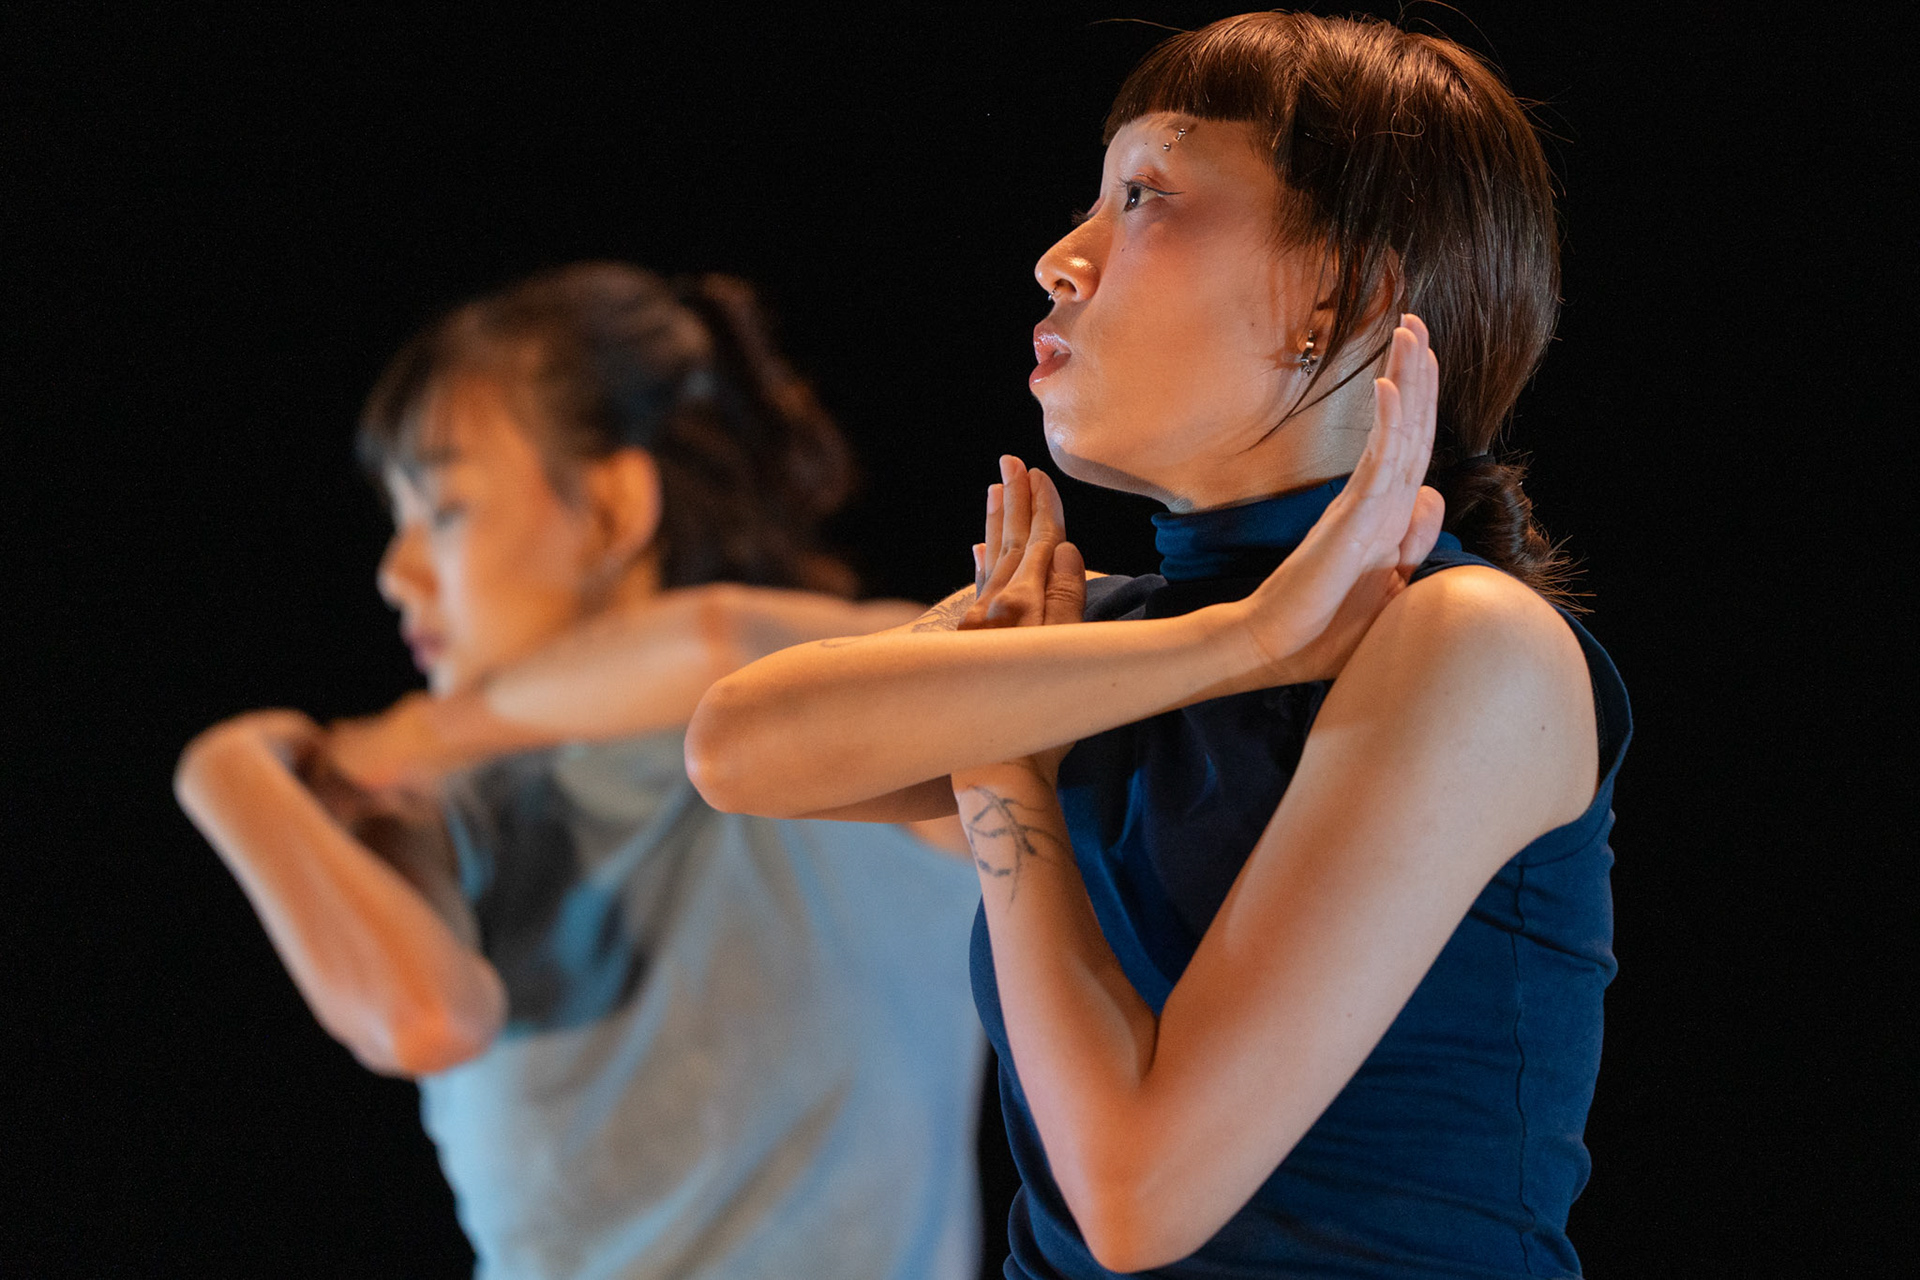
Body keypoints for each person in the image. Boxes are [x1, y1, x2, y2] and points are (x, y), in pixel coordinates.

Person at [687, 12, 1630, 1278]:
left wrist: (1003, 760)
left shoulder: (1471, 642)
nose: (1059, 259)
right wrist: (1243, 641)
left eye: (1143, 195)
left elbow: (1138, 1193)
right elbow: (735, 746)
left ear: (1341, 293)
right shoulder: (1130, 635)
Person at [174, 262, 987, 1280]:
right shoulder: (455, 808)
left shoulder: (871, 710)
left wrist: (424, 730)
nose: (396, 572)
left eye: (445, 511)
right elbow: (422, 1016)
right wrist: (226, 780)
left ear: (609, 509)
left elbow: (714, 644)